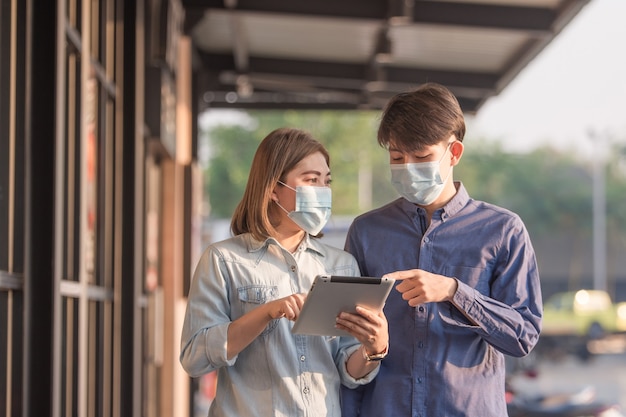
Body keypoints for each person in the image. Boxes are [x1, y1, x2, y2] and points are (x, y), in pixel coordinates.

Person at [340, 83, 542, 417]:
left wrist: (453, 291)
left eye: (421, 157)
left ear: (455, 153)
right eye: (396, 156)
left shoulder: (502, 230)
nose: (407, 166)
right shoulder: (367, 231)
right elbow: (346, 343)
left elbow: (522, 337)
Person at [180, 127, 389, 417]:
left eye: (326, 181)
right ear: (273, 189)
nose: (323, 191)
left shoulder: (341, 265)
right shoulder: (223, 260)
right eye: (311, 180)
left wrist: (372, 350)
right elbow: (195, 358)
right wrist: (266, 313)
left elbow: (347, 369)